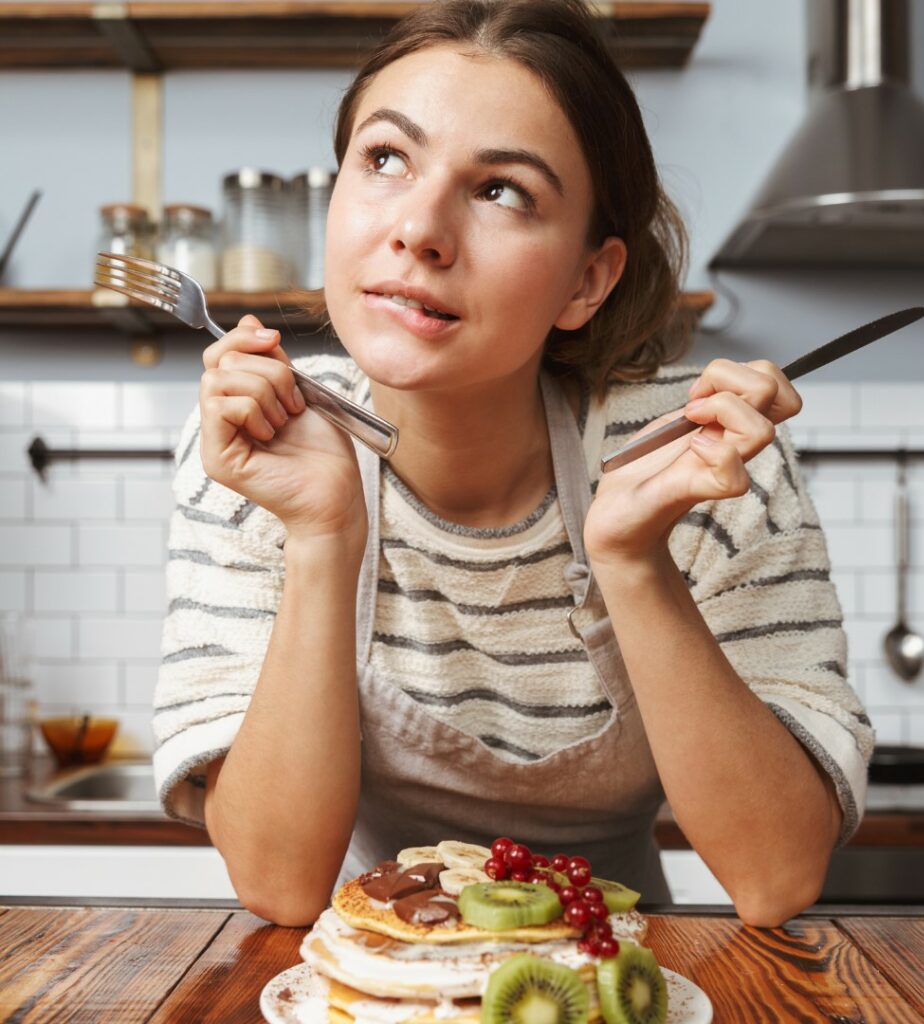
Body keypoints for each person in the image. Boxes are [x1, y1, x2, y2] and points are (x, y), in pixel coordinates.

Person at [153, 0, 873, 929]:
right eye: (384, 159)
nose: (420, 229)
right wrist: (323, 535)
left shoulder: (705, 460)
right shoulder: (257, 446)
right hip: (377, 972)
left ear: (587, 280)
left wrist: (633, 564)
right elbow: (280, 884)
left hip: (620, 973)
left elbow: (777, 875)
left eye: (501, 191)